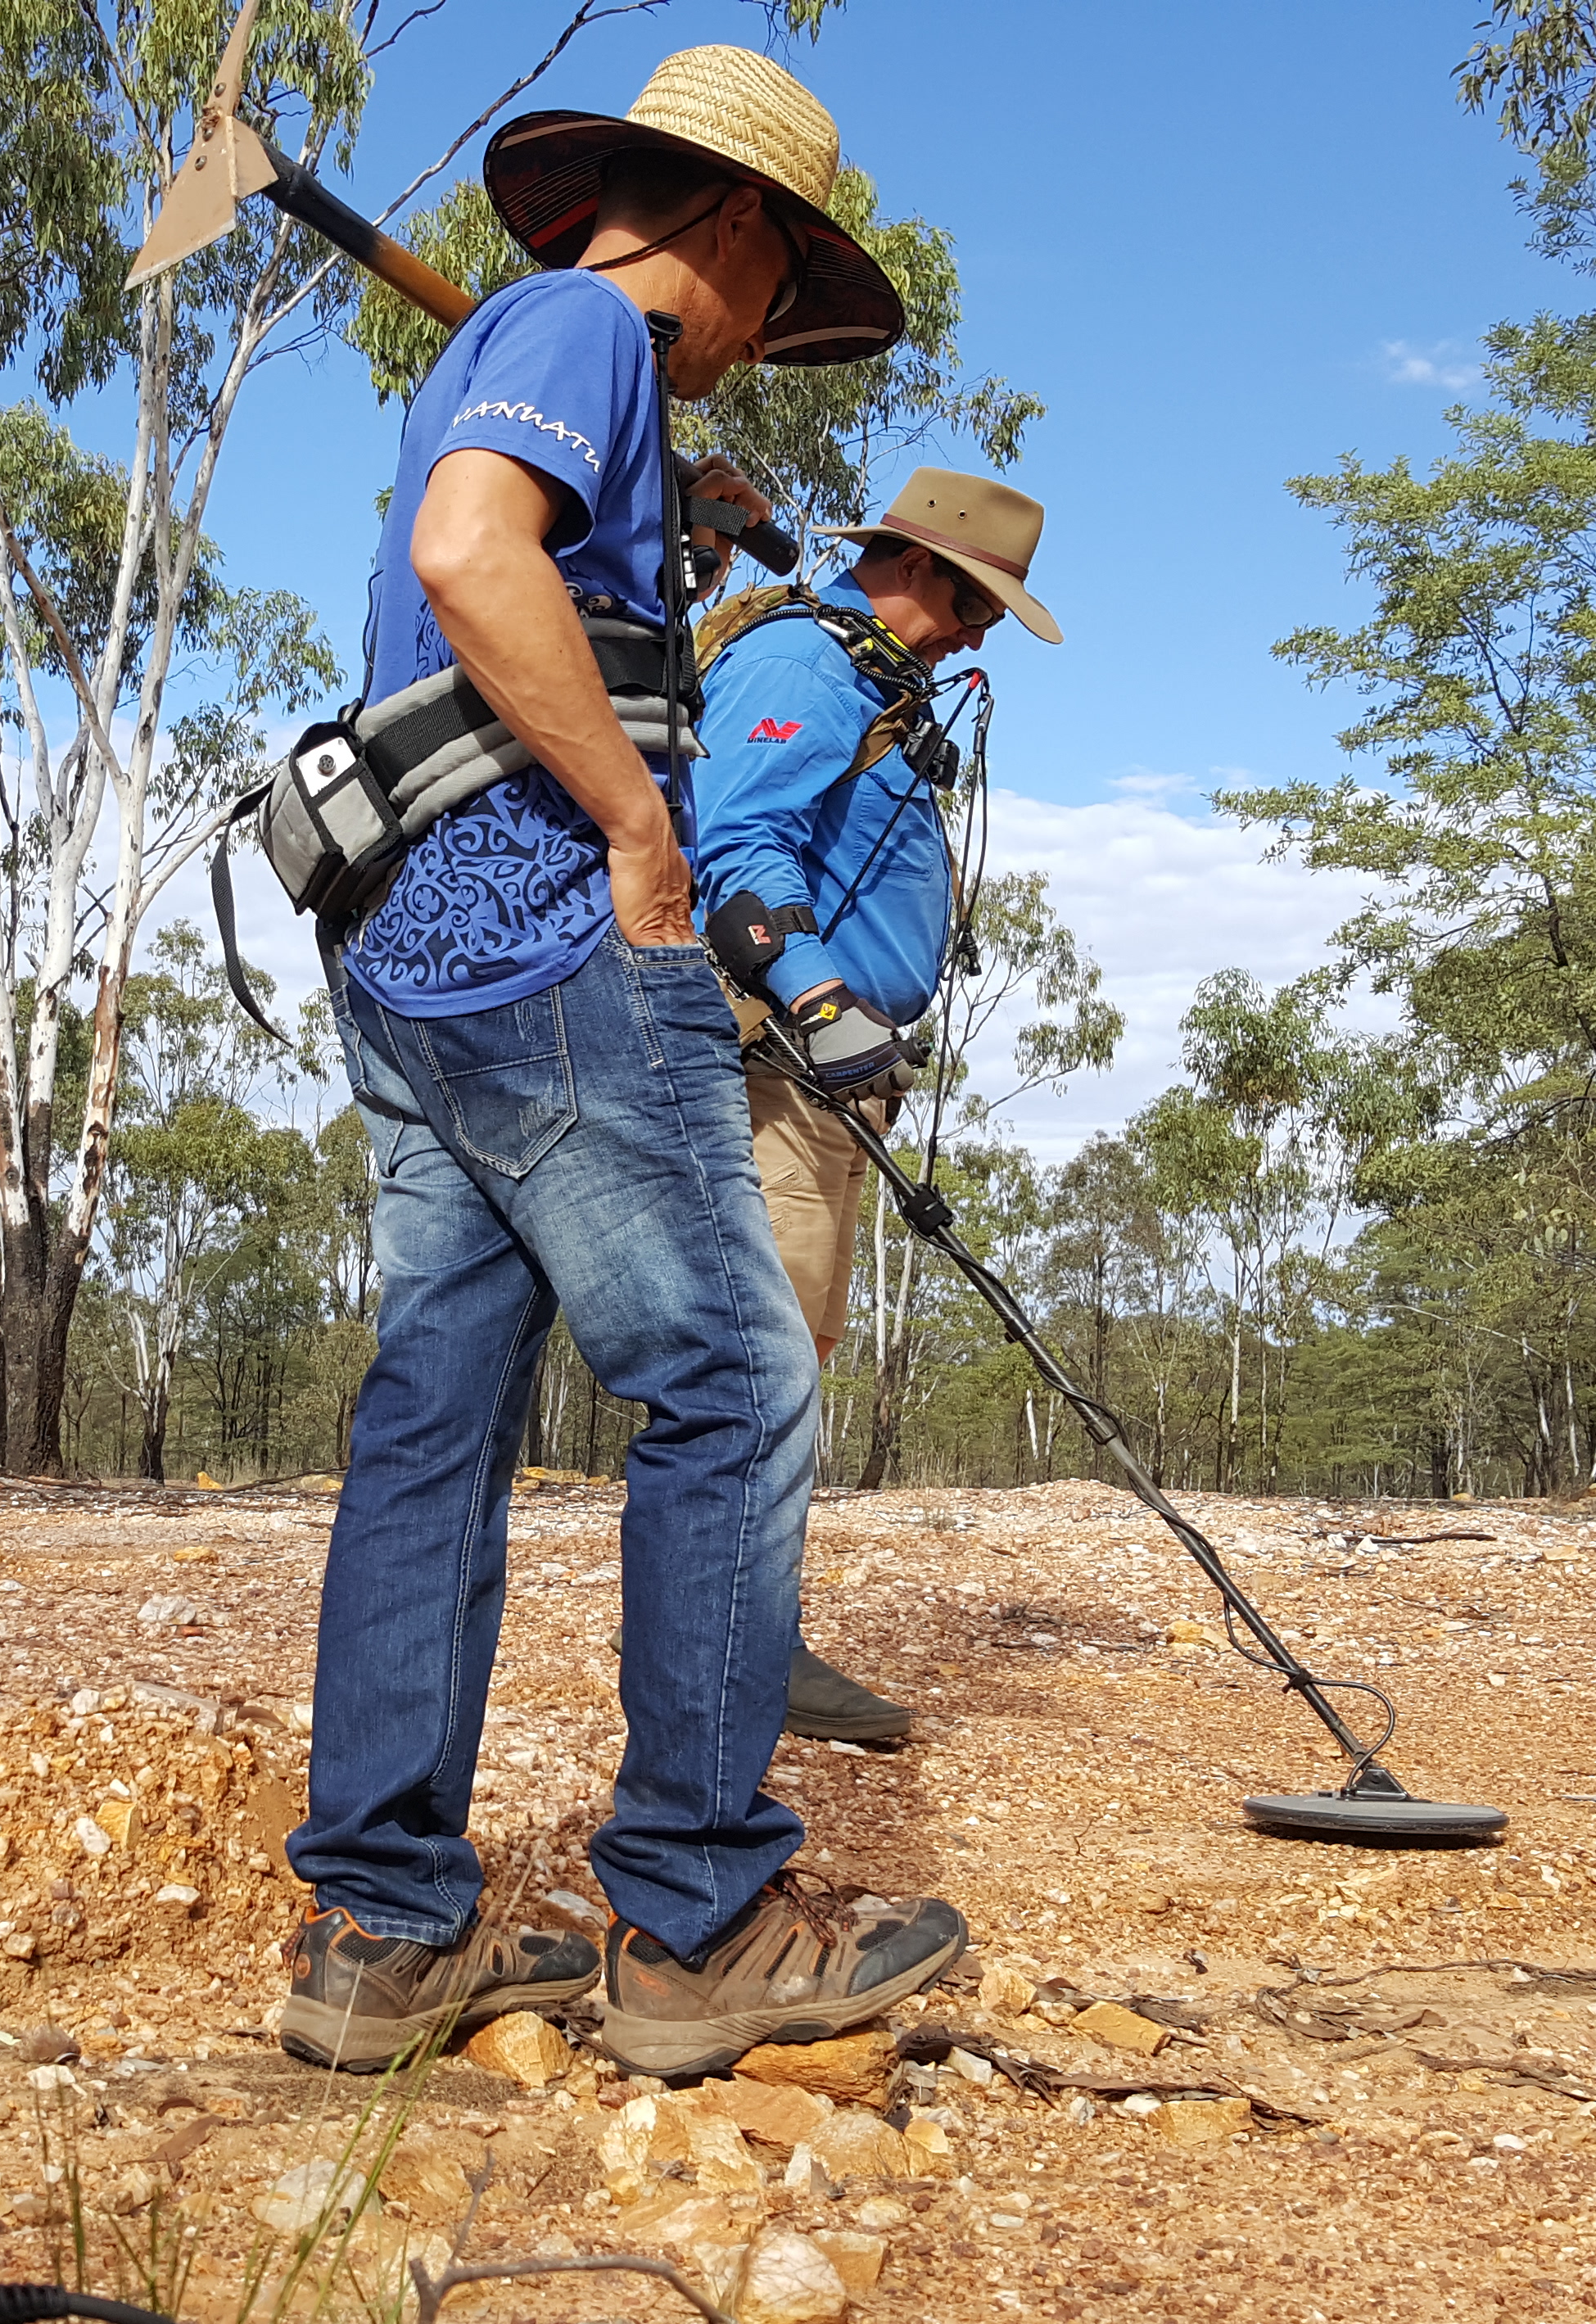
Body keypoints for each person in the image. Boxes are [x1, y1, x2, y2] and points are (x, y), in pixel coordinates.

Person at [277, 46, 970, 2082]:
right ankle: (696, 1916)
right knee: (735, 1381)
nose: (762, 349)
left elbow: (528, 557)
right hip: (555, 939)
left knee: (439, 1415)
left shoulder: (544, 361)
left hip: (408, 956)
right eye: (776, 300)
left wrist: (673, 504)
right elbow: (476, 558)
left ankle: (382, 1937)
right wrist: (642, 834)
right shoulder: (580, 322)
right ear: (739, 225)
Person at [694, 470, 1063, 1759]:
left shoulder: (874, 682)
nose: (977, 637)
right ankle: (736, 1659)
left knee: (795, 1355)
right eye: (977, 609)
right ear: (921, 569)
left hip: (824, 1083)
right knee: (756, 1369)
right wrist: (823, 996)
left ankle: (750, 1640)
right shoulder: (803, 662)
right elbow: (733, 845)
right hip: (772, 1074)